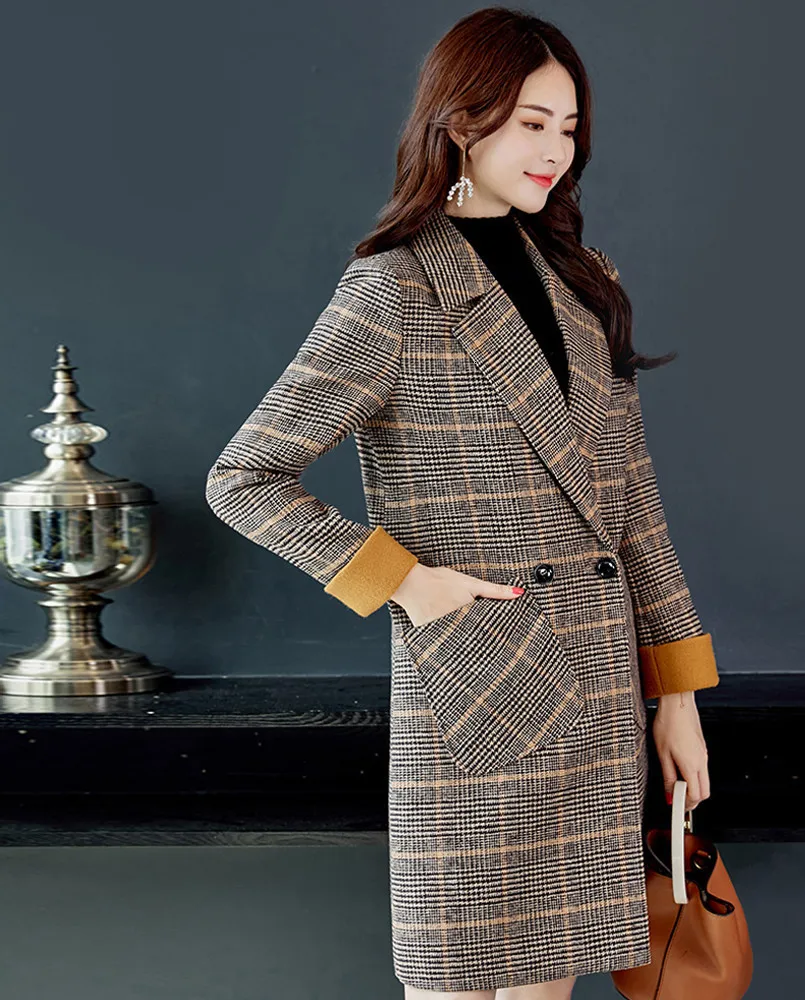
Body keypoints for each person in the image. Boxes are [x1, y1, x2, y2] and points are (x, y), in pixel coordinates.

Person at [205, 7, 719, 1000]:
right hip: (482, 687)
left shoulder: (585, 282)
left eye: (568, 128)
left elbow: (632, 507)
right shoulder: (394, 289)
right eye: (531, 122)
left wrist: (680, 696)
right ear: (462, 121)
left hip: (600, 690)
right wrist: (404, 582)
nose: (555, 150)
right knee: (454, 977)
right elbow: (245, 478)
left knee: (550, 983)